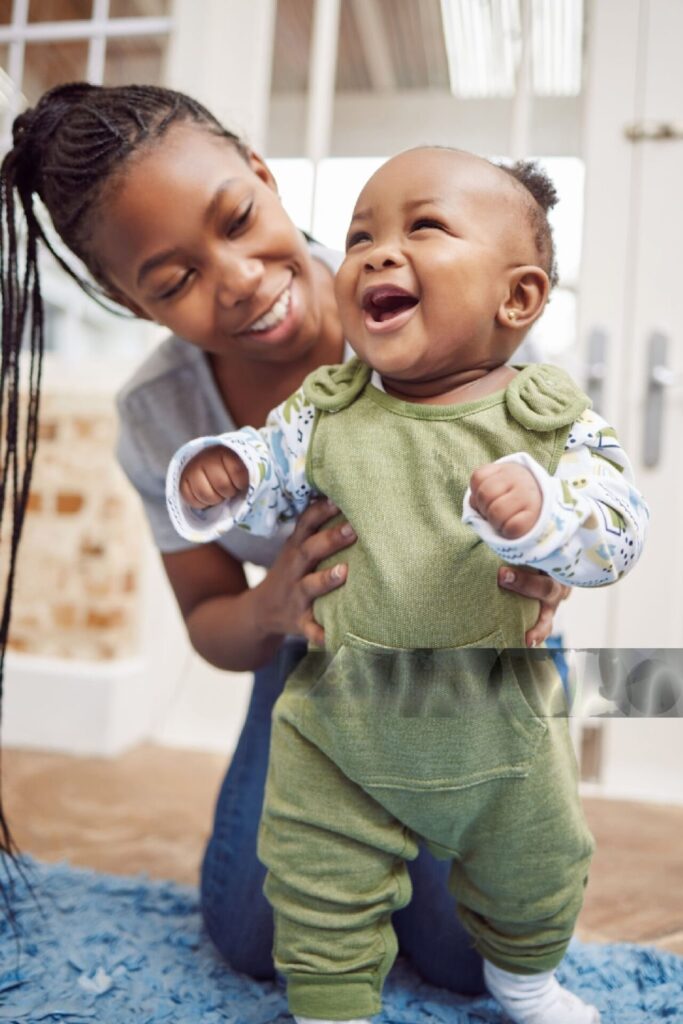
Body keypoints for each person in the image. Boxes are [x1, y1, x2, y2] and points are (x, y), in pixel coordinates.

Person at [0, 84, 570, 993]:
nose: (238, 281)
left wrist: (546, 551)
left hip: (470, 648)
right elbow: (208, 626)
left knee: (471, 955)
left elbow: (571, 500)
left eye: (238, 218)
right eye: (174, 280)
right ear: (128, 300)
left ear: (262, 175)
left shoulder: (449, 306)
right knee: (254, 936)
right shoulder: (162, 419)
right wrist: (271, 605)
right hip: (318, 656)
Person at [167, 147, 649, 1024]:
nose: (377, 253)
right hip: (337, 713)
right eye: (359, 236)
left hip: (492, 715)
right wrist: (227, 470)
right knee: (311, 875)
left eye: (422, 227)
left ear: (518, 298)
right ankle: (331, 1005)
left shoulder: (543, 415)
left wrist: (549, 516)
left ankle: (526, 981)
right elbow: (273, 462)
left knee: (533, 861)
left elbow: (617, 526)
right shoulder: (330, 406)